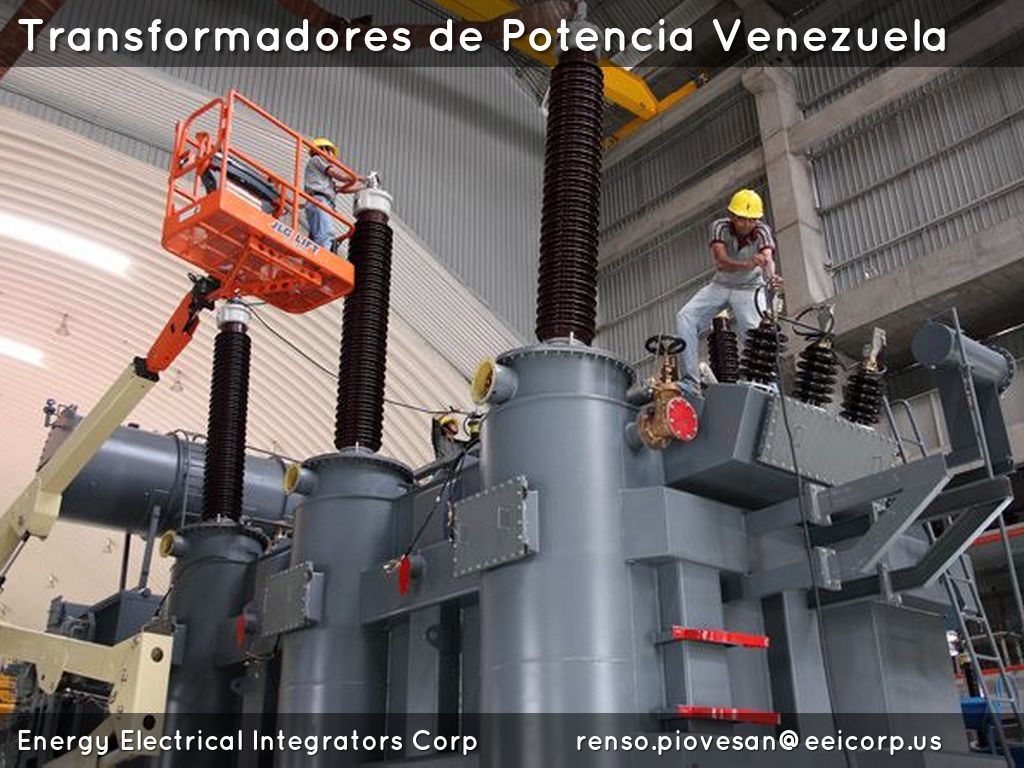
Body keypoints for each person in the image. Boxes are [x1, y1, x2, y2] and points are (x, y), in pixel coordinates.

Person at [675, 188, 783, 386]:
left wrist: (771, 277)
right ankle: (690, 380)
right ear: (732, 215)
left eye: (752, 220)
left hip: (750, 289)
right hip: (721, 285)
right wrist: (748, 264)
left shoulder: (762, 231)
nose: (747, 224)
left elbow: (768, 258)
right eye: (742, 219)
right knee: (686, 317)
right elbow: (721, 262)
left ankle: (768, 386)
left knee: (757, 337)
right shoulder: (719, 227)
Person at [304, 137, 367, 251]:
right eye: (330, 152)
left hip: (317, 202)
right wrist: (360, 177)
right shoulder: (318, 159)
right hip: (319, 201)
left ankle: (315, 256)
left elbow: (343, 189)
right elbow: (341, 176)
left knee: (316, 236)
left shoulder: (324, 179)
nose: (332, 157)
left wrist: (365, 185)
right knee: (325, 234)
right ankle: (324, 256)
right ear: (324, 150)